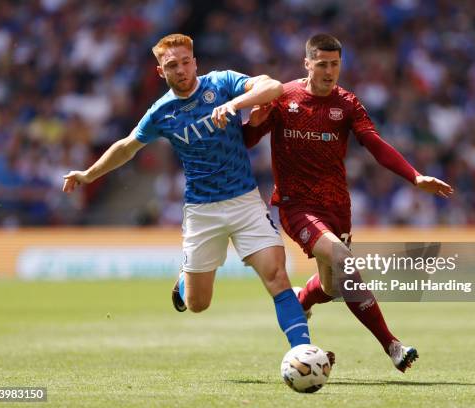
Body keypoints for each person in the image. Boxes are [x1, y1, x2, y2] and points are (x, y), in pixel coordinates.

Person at [62, 33, 318, 352]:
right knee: (198, 304)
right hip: (202, 211)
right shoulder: (162, 112)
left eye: (186, 62)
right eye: (172, 65)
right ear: (161, 72)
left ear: (195, 62)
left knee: (277, 276)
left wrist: (235, 104)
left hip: (244, 202)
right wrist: (88, 174)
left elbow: (274, 87)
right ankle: (185, 280)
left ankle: (303, 352)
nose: (181, 70)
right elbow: (127, 147)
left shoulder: (222, 83)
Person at [243, 34, 454, 372]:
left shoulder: (347, 104)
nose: (329, 71)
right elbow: (247, 140)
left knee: (332, 286)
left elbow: (375, 144)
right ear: (307, 63)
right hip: (297, 206)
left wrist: (414, 176)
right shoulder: (284, 98)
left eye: (335, 64)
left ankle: (301, 300)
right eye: (322, 64)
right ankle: (393, 345)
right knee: (342, 258)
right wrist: (252, 125)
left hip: (337, 209)